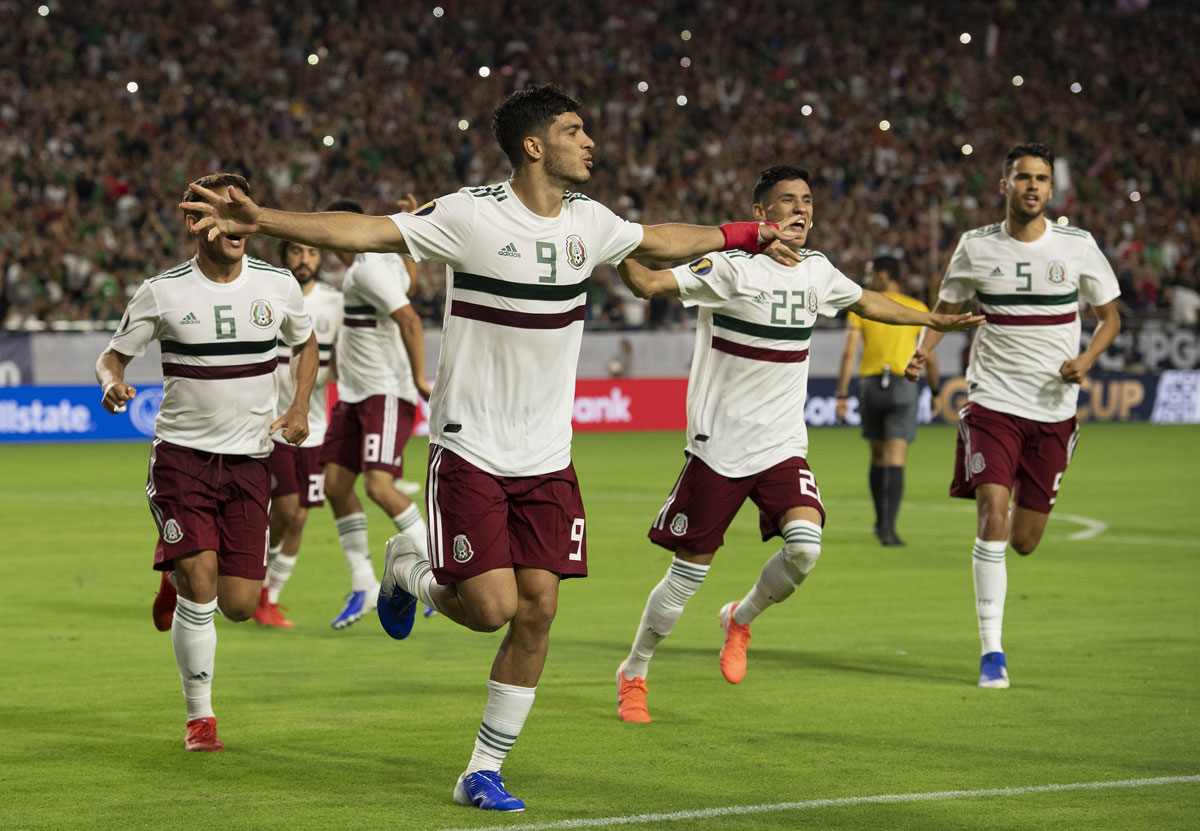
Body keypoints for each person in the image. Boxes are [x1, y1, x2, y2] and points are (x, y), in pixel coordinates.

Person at [181, 83, 803, 812]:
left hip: (548, 457)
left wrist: (745, 233)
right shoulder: (471, 215)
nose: (589, 141)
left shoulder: (589, 222)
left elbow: (661, 239)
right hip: (471, 447)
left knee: (538, 608)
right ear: (535, 146)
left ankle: (482, 768)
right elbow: (365, 233)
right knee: (487, 607)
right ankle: (405, 569)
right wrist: (265, 217)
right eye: (575, 130)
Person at [609, 165, 983, 723]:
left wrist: (932, 319)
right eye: (787, 202)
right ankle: (634, 670)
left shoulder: (818, 271)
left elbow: (869, 301)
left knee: (806, 548)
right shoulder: (730, 267)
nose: (801, 210)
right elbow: (650, 283)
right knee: (688, 575)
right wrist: (609, 244)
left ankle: (741, 617)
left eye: (807, 200)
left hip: (783, 444)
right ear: (761, 215)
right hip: (720, 446)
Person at [96, 172, 317, 750]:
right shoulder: (162, 291)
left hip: (250, 462)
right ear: (196, 223)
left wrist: (298, 405)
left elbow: (306, 341)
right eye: (222, 209)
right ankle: (201, 717)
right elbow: (111, 358)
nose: (237, 220)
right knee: (202, 586)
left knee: (240, 605)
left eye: (241, 207)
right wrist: (112, 383)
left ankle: (176, 572)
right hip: (182, 459)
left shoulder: (278, 285)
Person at [905, 142, 1121, 690]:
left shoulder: (1077, 246)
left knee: (1024, 540)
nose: (1032, 186)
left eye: (1041, 179)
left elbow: (1110, 317)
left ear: (1051, 189)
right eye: (1022, 177)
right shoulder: (975, 247)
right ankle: (992, 652)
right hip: (992, 403)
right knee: (992, 515)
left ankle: (993, 639)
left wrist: (1088, 360)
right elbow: (946, 310)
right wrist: (924, 348)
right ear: (1004, 185)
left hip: (1053, 409)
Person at [317, 198, 432, 630]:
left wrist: (420, 378)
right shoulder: (378, 263)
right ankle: (364, 582)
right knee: (335, 484)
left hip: (384, 393)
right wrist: (406, 245)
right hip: (354, 395)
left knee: (380, 487)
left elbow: (409, 319)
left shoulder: (366, 269)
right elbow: (411, 285)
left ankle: (437, 573)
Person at [253, 240, 343, 627]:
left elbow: (343, 355)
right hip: (272, 424)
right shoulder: (268, 296)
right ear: (284, 256)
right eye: (295, 252)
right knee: (286, 509)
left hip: (317, 425)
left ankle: (269, 597)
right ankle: (252, 582)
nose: (303, 259)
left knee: (301, 517)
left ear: (321, 258)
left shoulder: (334, 304)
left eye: (311, 252)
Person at [835, 256, 939, 546]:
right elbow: (929, 356)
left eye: (870, 274)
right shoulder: (917, 308)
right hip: (904, 384)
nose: (866, 280)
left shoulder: (864, 307)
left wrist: (842, 394)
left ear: (883, 274)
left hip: (870, 385)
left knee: (877, 457)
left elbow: (848, 352)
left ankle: (879, 522)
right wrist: (936, 391)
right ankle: (889, 530)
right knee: (896, 459)